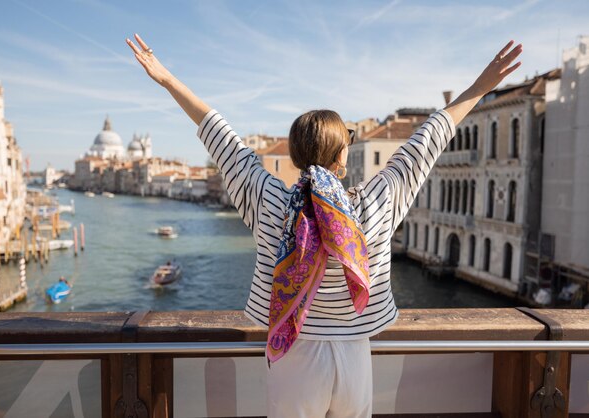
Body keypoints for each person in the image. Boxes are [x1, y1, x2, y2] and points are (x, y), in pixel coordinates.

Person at [126, 34, 522, 417]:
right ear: (342, 154)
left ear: (296, 154)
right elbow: (428, 140)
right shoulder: (374, 205)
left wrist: (167, 79)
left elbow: (222, 138)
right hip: (354, 355)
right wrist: (480, 86)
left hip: (293, 352)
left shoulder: (272, 203)